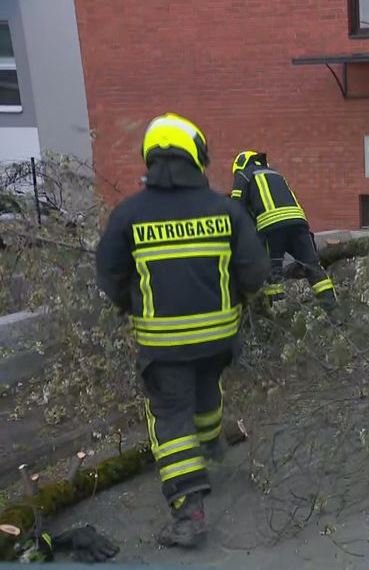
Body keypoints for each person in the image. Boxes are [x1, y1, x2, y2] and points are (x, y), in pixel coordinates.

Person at [96, 113, 270, 547]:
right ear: (198, 156)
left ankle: (189, 511)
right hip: (218, 338)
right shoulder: (224, 209)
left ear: (150, 157)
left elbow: (110, 275)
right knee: (208, 393)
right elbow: (254, 270)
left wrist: (127, 305)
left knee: (170, 420)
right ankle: (210, 446)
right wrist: (238, 299)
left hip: (164, 344)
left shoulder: (128, 215)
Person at [230, 151, 338, 313]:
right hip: (299, 224)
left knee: (273, 273)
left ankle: (279, 316)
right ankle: (334, 312)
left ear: (240, 165)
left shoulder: (244, 175)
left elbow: (236, 208)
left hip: (271, 227)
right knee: (313, 268)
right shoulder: (276, 175)